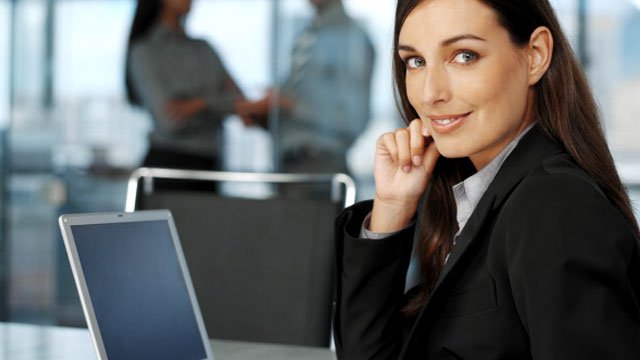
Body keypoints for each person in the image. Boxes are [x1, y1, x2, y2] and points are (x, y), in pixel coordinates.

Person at [334, 0, 640, 359]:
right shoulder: (481, 198)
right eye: (415, 61)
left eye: (464, 56)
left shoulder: (555, 205)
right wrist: (393, 207)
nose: (431, 93)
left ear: (536, 55)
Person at [236, 0, 375, 177]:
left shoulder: (351, 39)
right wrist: (269, 115)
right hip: (290, 166)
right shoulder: (307, 35)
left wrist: (289, 105)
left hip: (321, 168)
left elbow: (353, 119)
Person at [125, 0, 248, 172]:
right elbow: (170, 121)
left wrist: (198, 104)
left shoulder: (204, 49)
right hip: (167, 166)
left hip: (211, 165)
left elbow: (241, 101)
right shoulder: (145, 51)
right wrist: (218, 104)